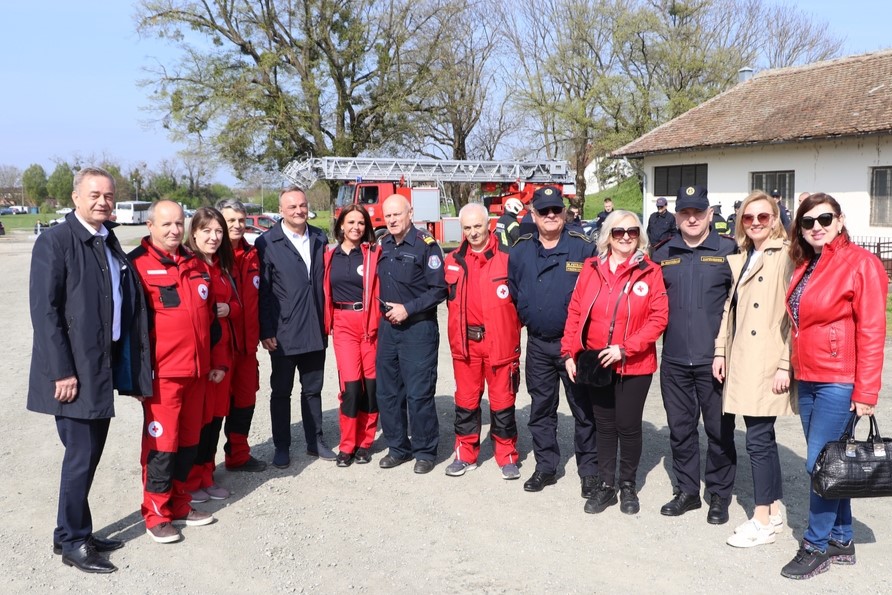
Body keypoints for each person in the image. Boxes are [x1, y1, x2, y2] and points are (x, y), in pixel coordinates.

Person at [28, 167, 152, 573]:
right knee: (80, 456)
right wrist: (62, 372)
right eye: (95, 195)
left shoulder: (106, 239)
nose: (103, 202)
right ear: (76, 196)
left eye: (110, 196)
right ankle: (73, 542)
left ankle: (71, 530)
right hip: (74, 373)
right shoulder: (56, 241)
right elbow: (45, 314)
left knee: (90, 454)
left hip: (100, 366)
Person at [780, 193, 888, 580]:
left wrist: (866, 392)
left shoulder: (862, 264)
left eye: (824, 219)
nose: (816, 228)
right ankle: (842, 539)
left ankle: (816, 544)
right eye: (807, 223)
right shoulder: (806, 265)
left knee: (819, 465)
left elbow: (873, 330)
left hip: (839, 381)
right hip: (810, 377)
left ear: (840, 221)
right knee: (834, 464)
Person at [562, 211, 668, 515]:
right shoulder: (591, 268)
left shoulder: (650, 271)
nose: (625, 236)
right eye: (619, 231)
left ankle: (627, 485)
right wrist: (570, 351)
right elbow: (576, 311)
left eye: (632, 232)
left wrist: (626, 348)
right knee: (605, 427)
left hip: (634, 363)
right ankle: (606, 486)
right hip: (597, 361)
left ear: (640, 235)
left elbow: (659, 318)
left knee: (628, 426)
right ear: (607, 235)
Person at [130, 200, 217, 544]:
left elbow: (208, 317)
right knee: (161, 447)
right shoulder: (136, 266)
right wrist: (136, 375)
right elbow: (130, 329)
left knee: (188, 444)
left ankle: (180, 502)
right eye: (166, 224)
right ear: (150, 226)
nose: (173, 230)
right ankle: (156, 513)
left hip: (196, 374)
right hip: (163, 377)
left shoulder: (195, 264)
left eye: (178, 223)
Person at [712, 191, 795, 548]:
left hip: (765, 360)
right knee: (763, 439)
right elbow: (730, 312)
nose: (756, 223)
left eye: (764, 217)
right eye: (749, 218)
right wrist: (720, 351)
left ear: (775, 219)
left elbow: (795, 314)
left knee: (758, 441)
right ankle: (773, 510)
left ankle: (761, 518)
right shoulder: (745, 255)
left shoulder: (786, 255)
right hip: (742, 357)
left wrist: (785, 364)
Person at [651, 185, 737, 525]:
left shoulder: (729, 251)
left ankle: (718, 495)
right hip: (673, 359)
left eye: (698, 212)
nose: (691, 218)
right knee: (680, 429)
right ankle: (687, 491)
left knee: (719, 431)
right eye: (685, 212)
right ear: (676, 216)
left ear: (710, 215)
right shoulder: (662, 252)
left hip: (714, 360)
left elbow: (740, 307)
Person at [508, 185, 599, 494]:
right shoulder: (520, 250)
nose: (550, 216)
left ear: (564, 213)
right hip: (538, 344)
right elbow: (515, 290)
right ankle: (546, 466)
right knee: (541, 408)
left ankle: (589, 470)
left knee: (583, 410)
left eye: (555, 210)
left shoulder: (583, 248)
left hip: (574, 345)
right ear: (533, 215)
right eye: (543, 211)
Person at [443, 203, 522, 479]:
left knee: (502, 403)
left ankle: (507, 456)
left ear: (489, 225)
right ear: (461, 229)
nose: (473, 232)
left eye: (478, 226)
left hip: (499, 345)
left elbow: (523, 304)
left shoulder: (509, 259)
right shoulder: (452, 260)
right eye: (467, 227)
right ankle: (465, 454)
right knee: (465, 402)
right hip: (466, 346)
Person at [256, 187, 332, 468]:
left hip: (315, 328)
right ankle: (282, 446)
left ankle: (315, 441)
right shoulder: (267, 243)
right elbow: (262, 291)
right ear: (281, 211)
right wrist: (266, 330)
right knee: (281, 392)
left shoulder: (319, 237)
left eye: (302, 205)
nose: (299, 211)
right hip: (284, 333)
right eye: (292, 207)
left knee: (312, 390)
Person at [376, 194, 447, 474]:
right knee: (388, 393)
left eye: (397, 214)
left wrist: (408, 308)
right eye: (388, 216)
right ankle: (398, 448)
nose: (392, 220)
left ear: (410, 213)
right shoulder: (383, 245)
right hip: (388, 330)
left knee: (418, 394)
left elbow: (439, 289)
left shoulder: (426, 246)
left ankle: (425, 451)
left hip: (418, 329)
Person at [183, 207, 241, 503]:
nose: (214, 237)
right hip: (203, 363)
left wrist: (228, 309)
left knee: (215, 420)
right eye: (207, 231)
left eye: (218, 231)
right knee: (199, 424)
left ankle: (206, 475)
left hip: (222, 361)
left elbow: (236, 304)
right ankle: (192, 481)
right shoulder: (189, 267)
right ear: (193, 233)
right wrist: (211, 363)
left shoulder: (221, 266)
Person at [322, 204, 381, 467]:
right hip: (343, 323)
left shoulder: (373, 254)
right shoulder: (328, 256)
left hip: (369, 324)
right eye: (351, 222)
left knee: (371, 387)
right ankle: (347, 445)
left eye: (361, 223)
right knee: (350, 387)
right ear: (341, 225)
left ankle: (365, 443)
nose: (356, 227)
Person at [217, 199, 267, 473]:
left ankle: (238, 455)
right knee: (213, 409)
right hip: (221, 348)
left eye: (240, 220)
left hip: (247, 348)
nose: (236, 225)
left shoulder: (253, 254)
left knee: (246, 400)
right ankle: (200, 468)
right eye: (230, 220)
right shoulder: (209, 256)